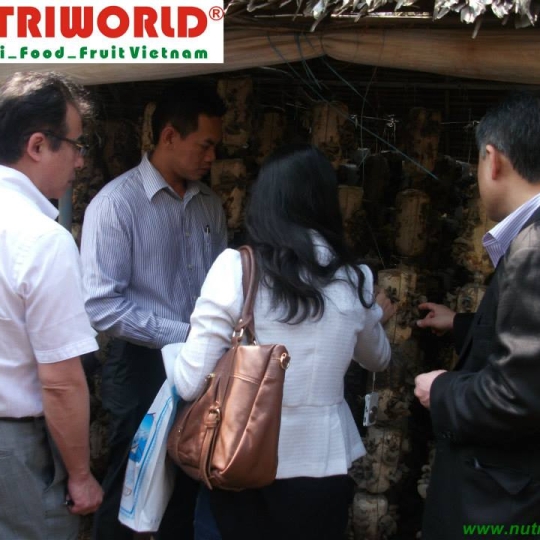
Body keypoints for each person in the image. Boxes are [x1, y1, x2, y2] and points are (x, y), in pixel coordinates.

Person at [165, 143, 396, 540]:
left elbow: (189, 383)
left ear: (265, 201)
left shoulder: (236, 268)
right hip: (323, 468)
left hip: (239, 459)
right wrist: (373, 315)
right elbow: (378, 359)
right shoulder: (355, 278)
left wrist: (171, 354)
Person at [80, 82, 227, 540]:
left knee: (187, 480)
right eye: (205, 145)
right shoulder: (115, 205)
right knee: (132, 482)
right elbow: (103, 307)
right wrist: (185, 334)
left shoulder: (210, 205)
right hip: (139, 365)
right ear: (168, 136)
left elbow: (221, 288)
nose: (212, 157)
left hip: (201, 365)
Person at [414, 91, 540, 539]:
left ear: (493, 159)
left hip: (502, 507)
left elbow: (518, 397)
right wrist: (462, 324)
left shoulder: (533, 247)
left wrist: (441, 390)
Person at [0, 71, 103, 539]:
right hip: (15, 451)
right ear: (38, 146)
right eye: (76, 145)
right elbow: (60, 381)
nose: (80, 161)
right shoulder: (43, 239)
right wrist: (80, 476)